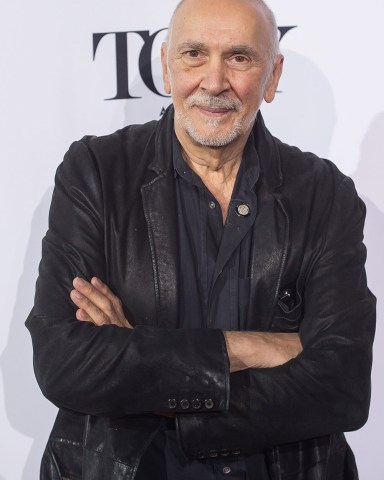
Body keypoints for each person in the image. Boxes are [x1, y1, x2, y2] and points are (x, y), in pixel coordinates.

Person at [26, 0, 376, 478]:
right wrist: (253, 348)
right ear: (167, 69)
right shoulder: (96, 172)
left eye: (239, 57)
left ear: (272, 77)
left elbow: (344, 386)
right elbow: (63, 361)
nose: (214, 82)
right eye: (194, 54)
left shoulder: (325, 194)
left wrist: (143, 360)